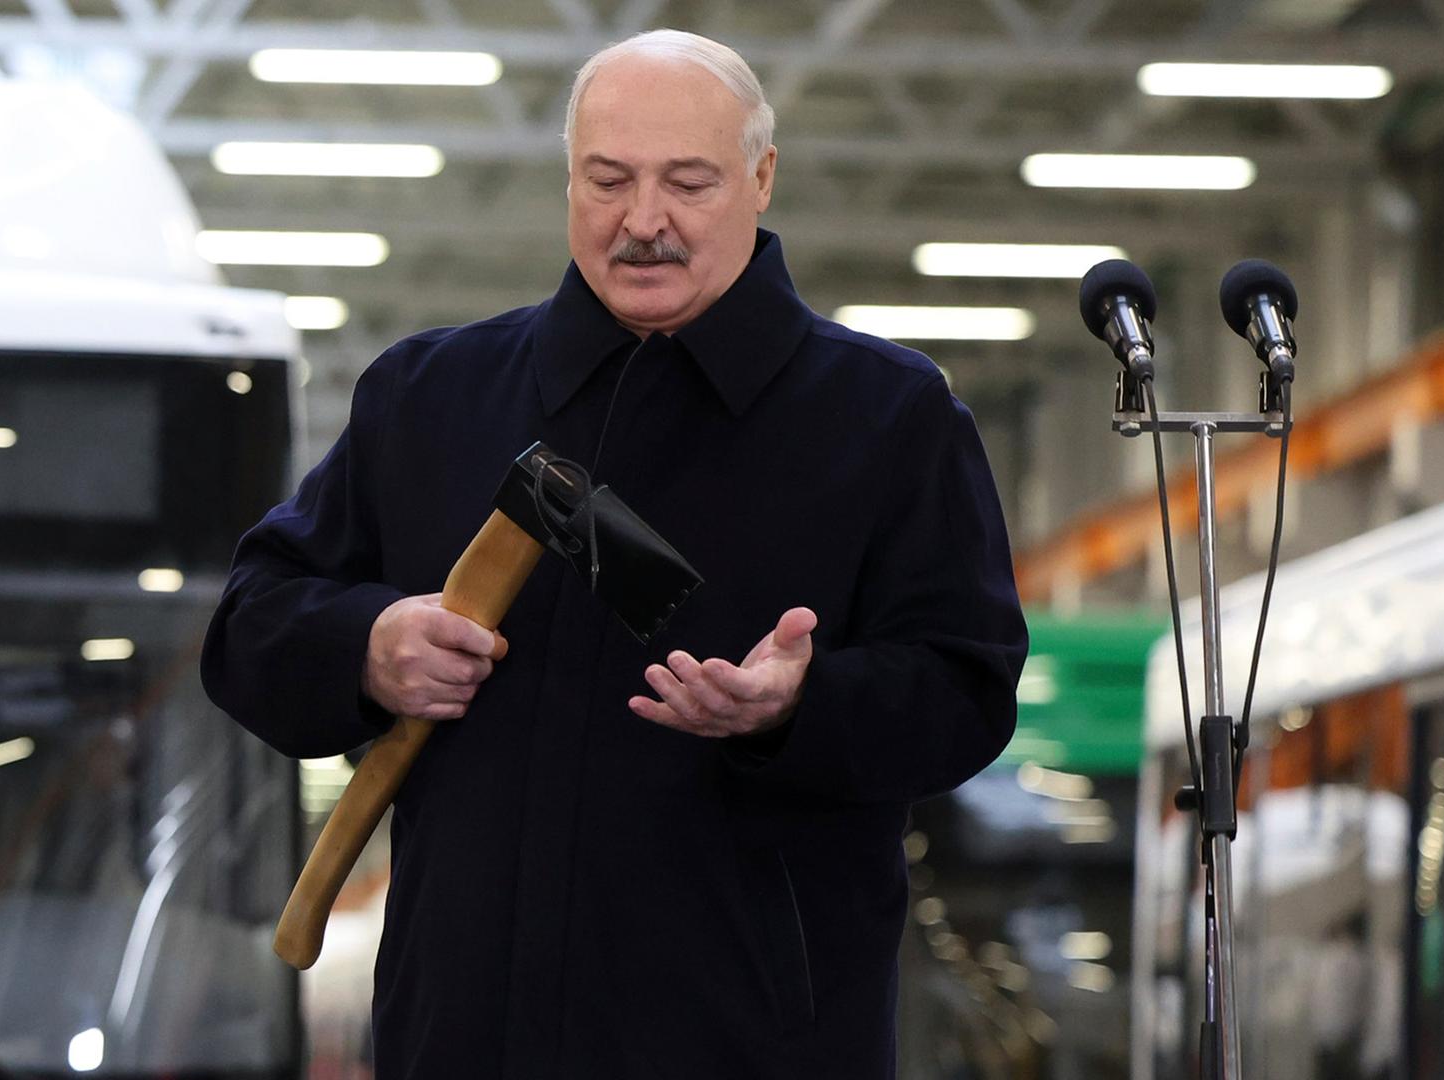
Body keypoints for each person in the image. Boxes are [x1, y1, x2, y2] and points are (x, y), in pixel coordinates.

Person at [201, 29, 1027, 1080]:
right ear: (567, 183)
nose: (645, 222)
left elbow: (968, 689)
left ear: (762, 178)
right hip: (461, 1042)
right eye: (608, 181)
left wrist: (798, 707)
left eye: (688, 182)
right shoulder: (430, 398)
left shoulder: (888, 420)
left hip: (753, 1049)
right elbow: (250, 621)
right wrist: (365, 646)